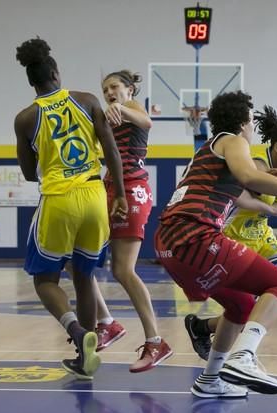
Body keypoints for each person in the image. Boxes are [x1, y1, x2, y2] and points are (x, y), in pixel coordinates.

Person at [155, 92, 277, 399]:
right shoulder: (234, 141)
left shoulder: (213, 147)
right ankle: (243, 357)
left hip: (170, 244)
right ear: (245, 122)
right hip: (196, 235)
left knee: (241, 305)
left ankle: (209, 379)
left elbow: (247, 180)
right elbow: (249, 177)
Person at [13, 38, 127, 380]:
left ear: (33, 81)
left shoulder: (25, 119)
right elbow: (111, 151)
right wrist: (119, 194)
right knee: (84, 277)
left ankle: (79, 334)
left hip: (59, 199)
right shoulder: (87, 100)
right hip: (94, 195)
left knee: (45, 280)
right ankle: (85, 358)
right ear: (55, 73)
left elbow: (30, 173)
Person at [100, 70, 172, 372]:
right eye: (105, 90)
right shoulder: (105, 117)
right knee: (73, 258)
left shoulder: (134, 109)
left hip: (131, 189)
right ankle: (106, 322)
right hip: (107, 187)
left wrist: (123, 107)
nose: (108, 92)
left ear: (128, 89)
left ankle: (155, 341)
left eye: (114, 87)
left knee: (123, 270)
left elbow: (147, 122)